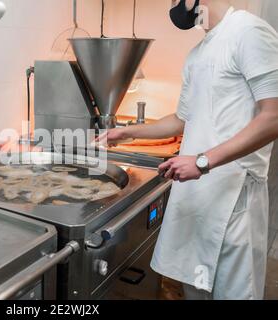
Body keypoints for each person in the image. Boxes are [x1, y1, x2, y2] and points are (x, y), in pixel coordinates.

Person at [97, 0, 278, 300]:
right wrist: (127, 132)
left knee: (234, 293)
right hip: (197, 195)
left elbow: (272, 116)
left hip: (234, 199)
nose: (173, 5)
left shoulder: (248, 31)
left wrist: (203, 161)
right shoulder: (198, 53)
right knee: (195, 289)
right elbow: (181, 120)